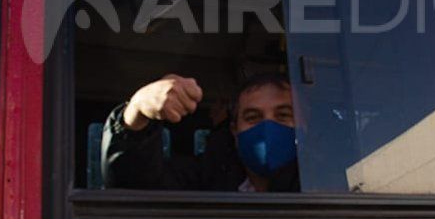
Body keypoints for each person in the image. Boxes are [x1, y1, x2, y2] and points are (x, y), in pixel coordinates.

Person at [102, 71, 300, 192]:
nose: (267, 128)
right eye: (252, 117)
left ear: (304, 128)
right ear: (234, 131)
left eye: (283, 115)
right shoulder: (203, 179)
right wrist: (136, 112)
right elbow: (130, 188)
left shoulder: (324, 183)